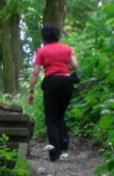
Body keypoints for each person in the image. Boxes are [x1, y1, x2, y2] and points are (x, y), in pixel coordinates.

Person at [28, 23, 79, 162]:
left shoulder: (42, 51)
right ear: (58, 34)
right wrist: (65, 67)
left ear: (44, 36)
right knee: (60, 114)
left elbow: (35, 72)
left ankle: (55, 153)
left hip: (51, 83)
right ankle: (64, 141)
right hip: (67, 82)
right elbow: (75, 65)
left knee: (51, 118)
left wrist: (31, 91)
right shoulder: (66, 48)